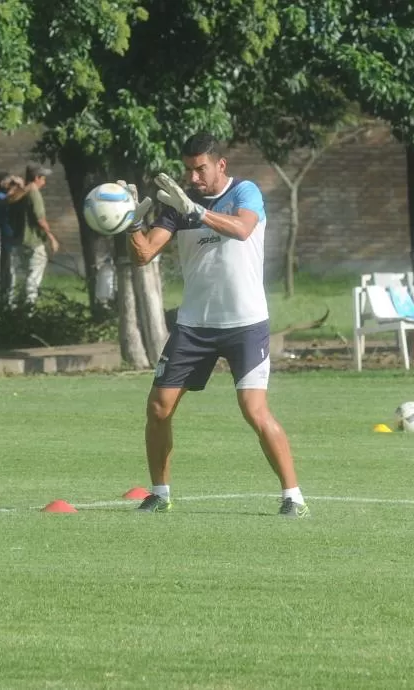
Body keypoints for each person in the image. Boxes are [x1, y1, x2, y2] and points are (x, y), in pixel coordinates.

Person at [125, 132, 308, 519]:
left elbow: (242, 229)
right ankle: (160, 493)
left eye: (200, 168)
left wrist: (198, 212)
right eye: (188, 169)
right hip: (195, 325)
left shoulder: (246, 192)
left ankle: (293, 496)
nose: (193, 176)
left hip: (246, 323)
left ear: (220, 165)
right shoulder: (176, 205)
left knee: (254, 410)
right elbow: (144, 255)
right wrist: (130, 223)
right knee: (158, 408)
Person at [8, 162, 60, 307]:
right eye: (43, 178)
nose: (44, 181)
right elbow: (40, 219)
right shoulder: (33, 193)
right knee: (33, 277)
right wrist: (52, 237)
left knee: (22, 277)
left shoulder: (19, 193)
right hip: (34, 241)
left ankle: (16, 308)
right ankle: (29, 308)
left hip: (18, 241)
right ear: (36, 178)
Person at [0, 172, 24, 312]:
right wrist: (21, 187)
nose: (12, 186)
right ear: (2, 183)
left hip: (4, 241)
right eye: (9, 183)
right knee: (2, 275)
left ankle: (2, 304)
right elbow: (10, 200)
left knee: (5, 274)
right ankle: (0, 306)